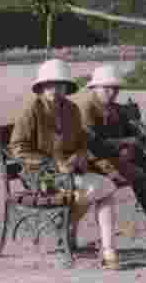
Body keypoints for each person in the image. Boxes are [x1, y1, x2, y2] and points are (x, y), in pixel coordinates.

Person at [9, 59, 124, 270]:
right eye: (50, 84)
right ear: (42, 86)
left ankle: (108, 251)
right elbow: (17, 148)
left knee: (107, 188)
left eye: (60, 84)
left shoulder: (71, 109)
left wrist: (78, 156)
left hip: (70, 174)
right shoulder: (31, 110)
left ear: (66, 87)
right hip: (40, 176)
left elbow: (81, 142)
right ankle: (67, 230)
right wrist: (53, 163)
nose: (55, 89)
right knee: (93, 190)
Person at [73, 64, 146, 248]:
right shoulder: (86, 107)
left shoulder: (115, 108)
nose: (112, 92)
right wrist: (126, 142)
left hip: (125, 156)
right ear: (94, 87)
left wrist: (140, 133)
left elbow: (134, 131)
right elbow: (94, 145)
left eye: (115, 88)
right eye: (107, 88)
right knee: (142, 178)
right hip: (99, 161)